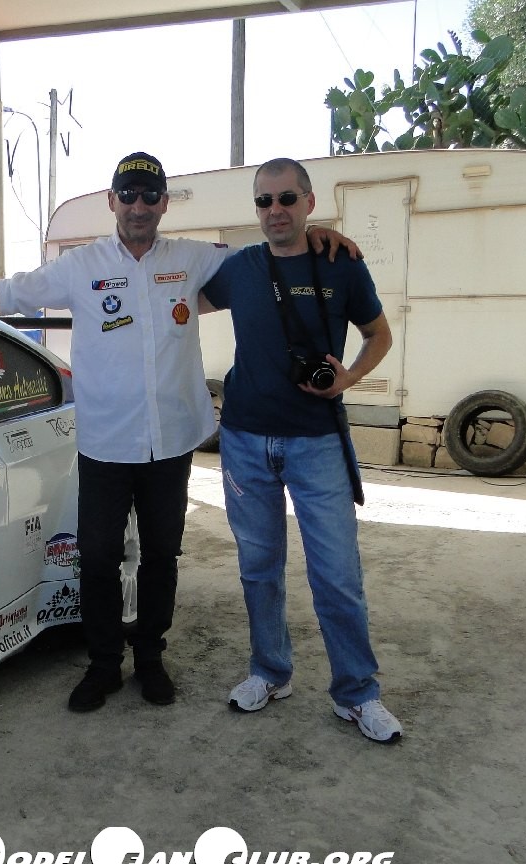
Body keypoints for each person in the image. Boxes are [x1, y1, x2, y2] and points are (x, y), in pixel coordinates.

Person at [0, 151, 357, 713]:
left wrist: (318, 234)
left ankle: (151, 659)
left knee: (162, 555)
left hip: (171, 442)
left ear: (164, 204)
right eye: (128, 194)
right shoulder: (81, 265)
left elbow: (274, 253)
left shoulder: (193, 258)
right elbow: (6, 294)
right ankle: (105, 665)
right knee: (97, 558)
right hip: (106, 444)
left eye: (150, 195)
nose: (139, 206)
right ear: (112, 201)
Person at [200, 157, 402, 743]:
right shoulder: (240, 268)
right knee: (258, 568)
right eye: (264, 202)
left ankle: (357, 694)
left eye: (287, 199)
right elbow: (173, 282)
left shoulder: (341, 263)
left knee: (337, 574)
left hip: (317, 442)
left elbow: (379, 334)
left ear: (309, 202)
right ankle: (270, 671)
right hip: (244, 439)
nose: (275, 211)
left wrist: (349, 378)